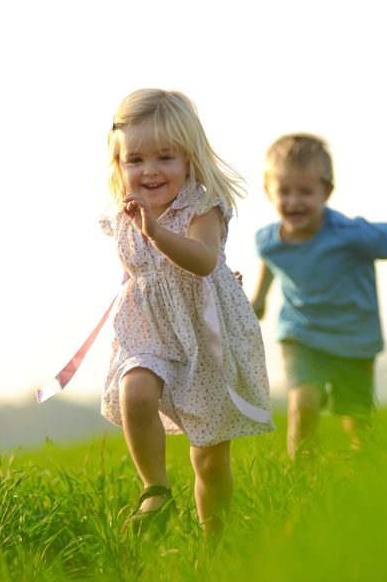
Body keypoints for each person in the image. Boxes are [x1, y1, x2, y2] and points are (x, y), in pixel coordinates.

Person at [98, 89, 274, 538]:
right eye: (135, 160)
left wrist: (157, 233)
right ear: (119, 166)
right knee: (133, 389)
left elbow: (203, 260)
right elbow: (142, 272)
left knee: (209, 459)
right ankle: (155, 489)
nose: (150, 170)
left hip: (204, 337)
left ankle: (216, 543)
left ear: (190, 159)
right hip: (150, 331)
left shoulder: (201, 206)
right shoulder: (125, 214)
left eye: (165, 157)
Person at [251, 133, 387, 460]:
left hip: (354, 339)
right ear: (268, 191)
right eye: (285, 192)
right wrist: (259, 297)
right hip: (301, 336)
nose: (294, 202)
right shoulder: (267, 239)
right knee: (302, 405)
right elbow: (273, 259)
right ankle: (302, 480)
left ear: (326, 192)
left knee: (357, 421)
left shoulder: (351, 234)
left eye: (305, 192)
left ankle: (364, 475)